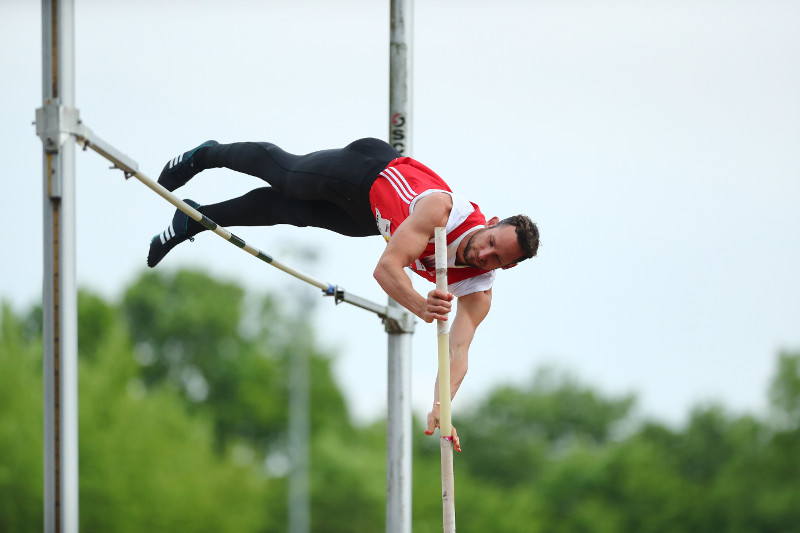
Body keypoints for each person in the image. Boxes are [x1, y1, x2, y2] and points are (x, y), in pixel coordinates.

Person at [147, 137, 539, 451]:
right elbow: (386, 269)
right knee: (287, 176)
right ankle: (207, 154)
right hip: (365, 173)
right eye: (489, 241)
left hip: (371, 218)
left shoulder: (478, 290)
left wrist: (443, 408)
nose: (482, 254)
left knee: (289, 211)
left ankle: (193, 219)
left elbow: (457, 352)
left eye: (495, 259)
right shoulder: (440, 211)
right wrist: (422, 307)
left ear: (506, 268)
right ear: (488, 223)